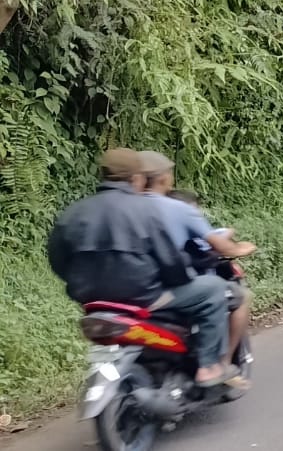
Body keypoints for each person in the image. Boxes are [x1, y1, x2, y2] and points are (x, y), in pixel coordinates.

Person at [47, 149, 239, 387]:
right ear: (136, 178)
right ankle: (209, 366)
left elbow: (57, 258)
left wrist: (78, 282)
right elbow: (169, 259)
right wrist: (181, 279)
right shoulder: (145, 209)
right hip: (143, 296)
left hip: (92, 300)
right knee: (214, 289)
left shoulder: (73, 212)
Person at [137, 152, 256, 370]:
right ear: (164, 178)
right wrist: (241, 248)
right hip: (161, 289)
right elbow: (219, 245)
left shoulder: (119, 208)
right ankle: (217, 364)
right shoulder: (178, 209)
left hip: (121, 292)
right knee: (228, 294)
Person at [167, 189, 254, 367]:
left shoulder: (156, 222)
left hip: (151, 288)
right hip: (189, 287)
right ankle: (222, 363)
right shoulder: (187, 223)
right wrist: (240, 248)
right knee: (241, 297)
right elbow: (224, 244)